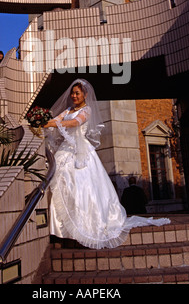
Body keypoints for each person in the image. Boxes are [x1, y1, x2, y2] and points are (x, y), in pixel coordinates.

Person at [44, 78, 170, 249]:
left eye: (77, 93)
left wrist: (55, 123)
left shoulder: (86, 110)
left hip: (80, 151)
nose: (74, 96)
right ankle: (62, 231)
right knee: (62, 187)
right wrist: (44, 121)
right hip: (65, 150)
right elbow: (57, 118)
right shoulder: (67, 110)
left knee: (83, 189)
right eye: (72, 93)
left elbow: (75, 122)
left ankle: (83, 229)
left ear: (84, 95)